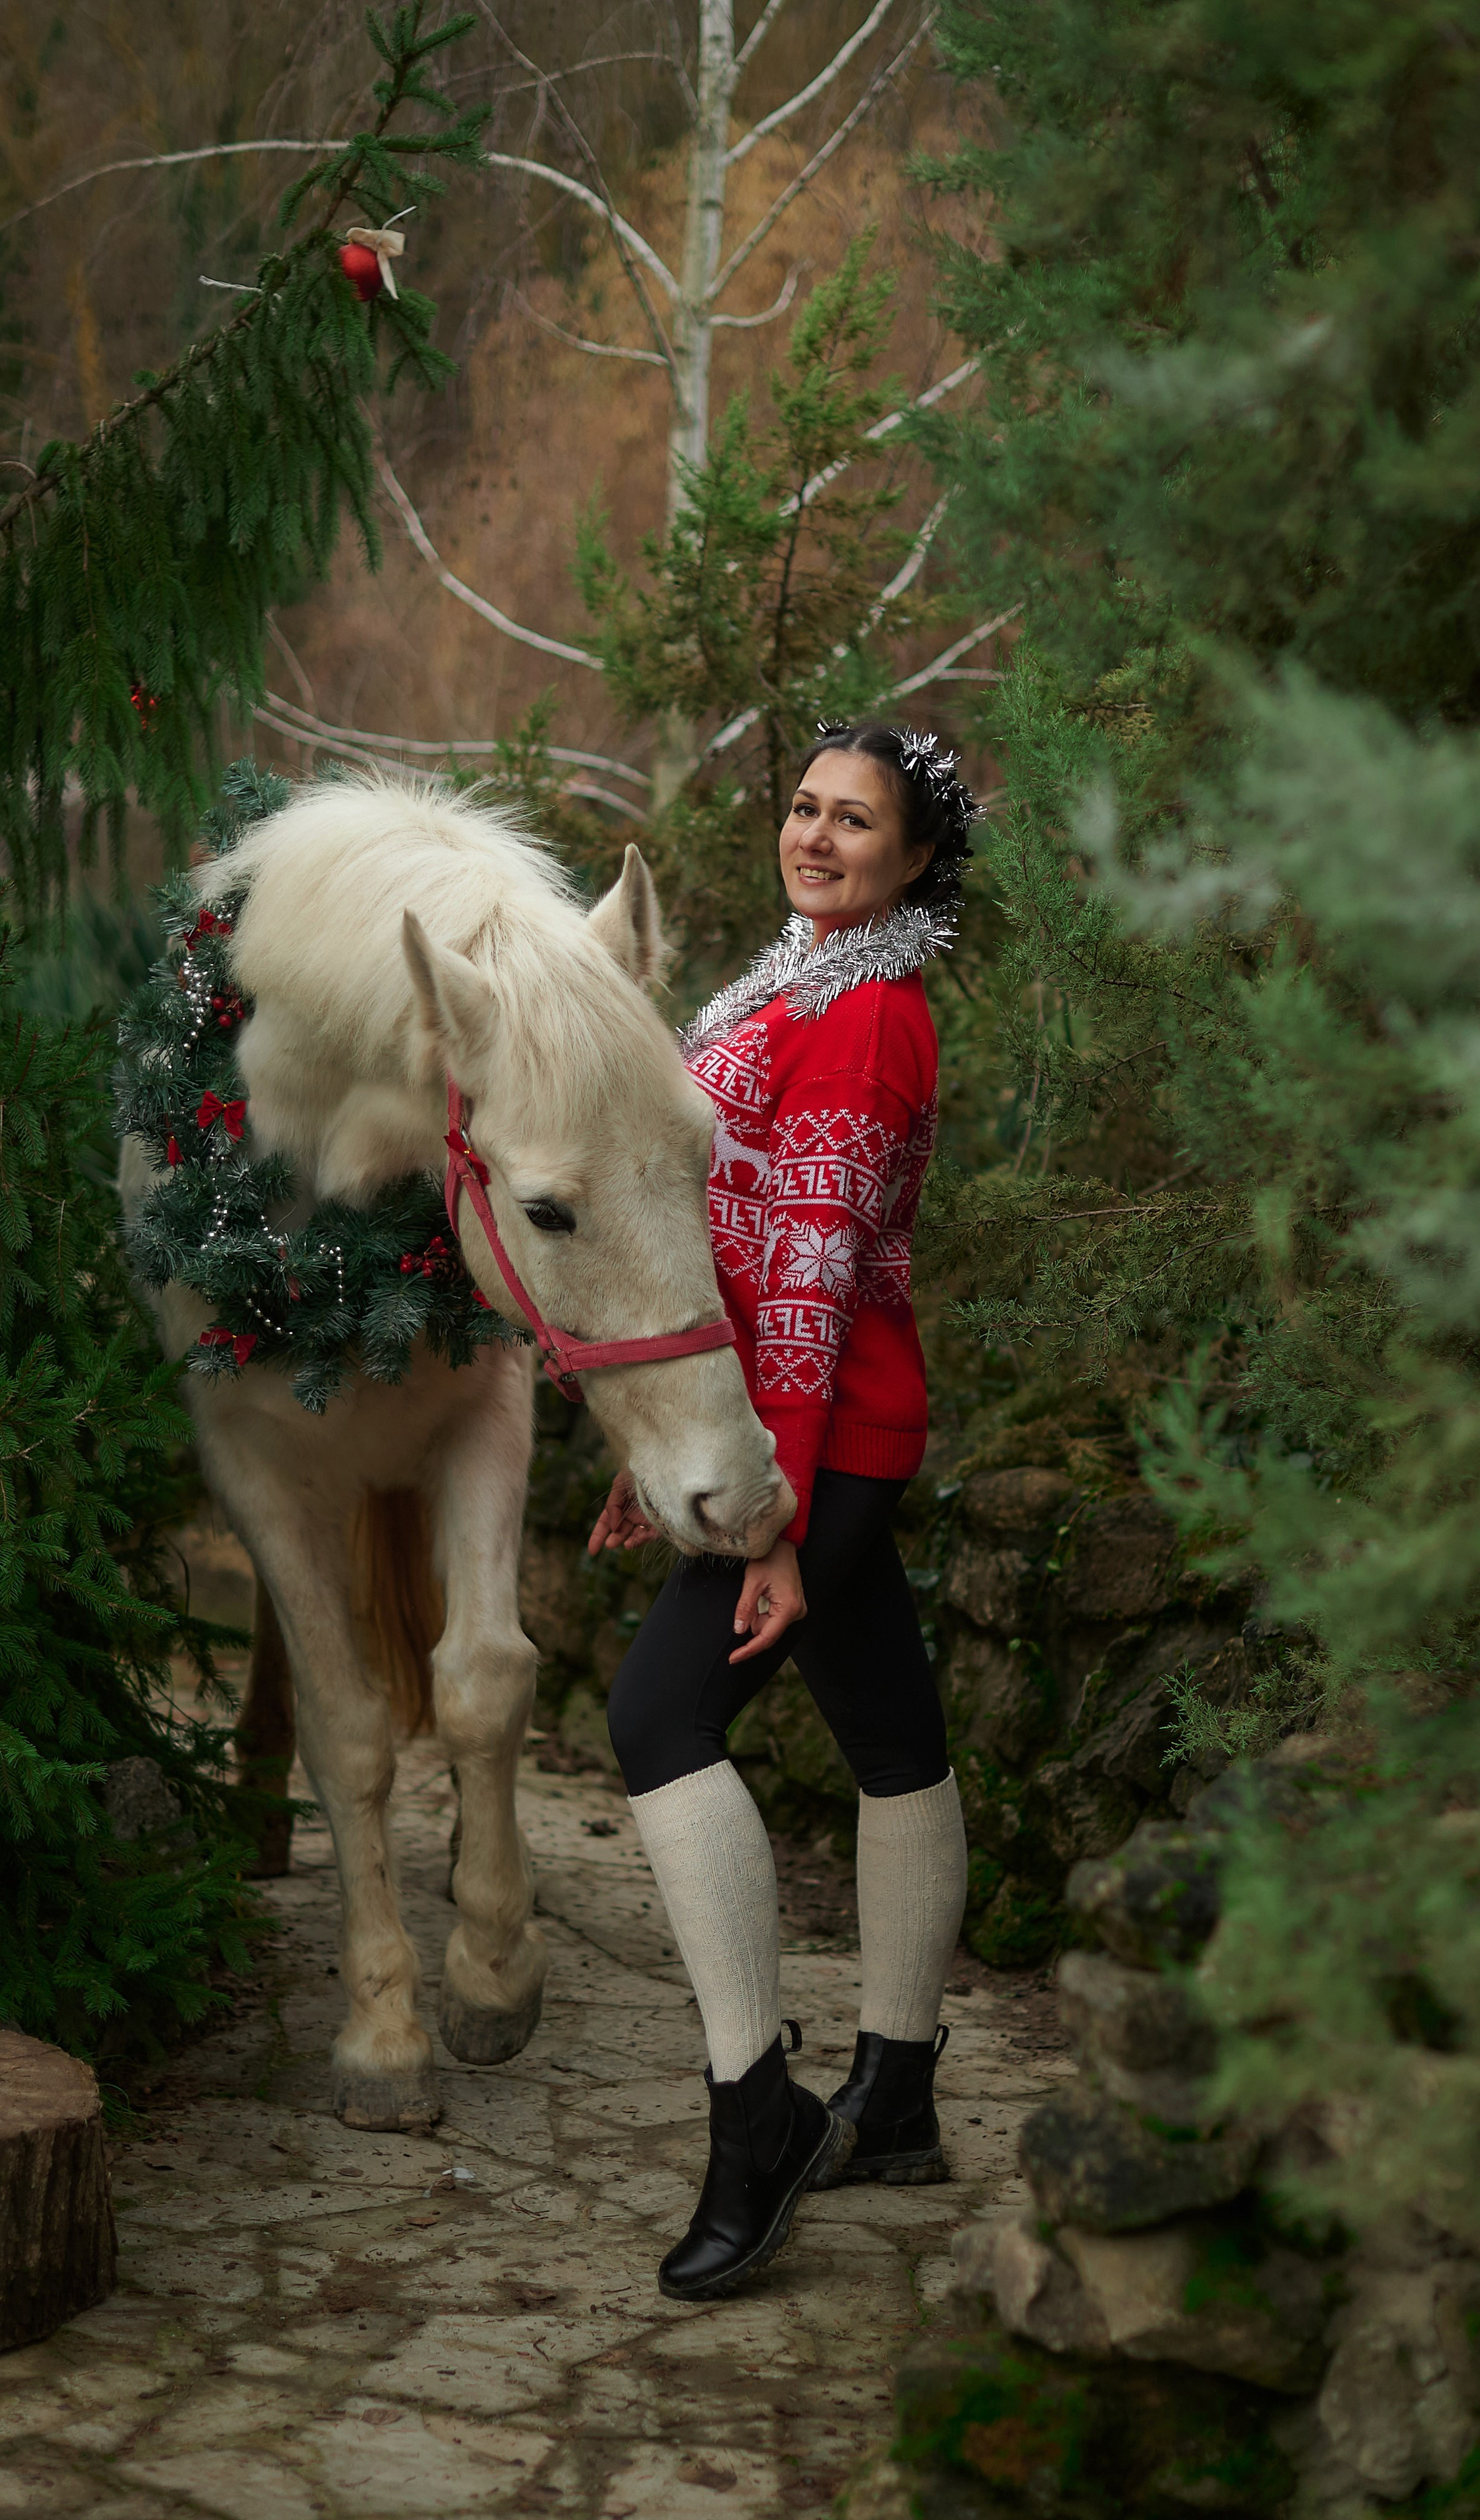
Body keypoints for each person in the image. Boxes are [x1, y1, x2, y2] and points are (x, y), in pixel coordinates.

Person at [589, 718, 973, 2302]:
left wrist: (772, 1518)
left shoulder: (870, 1013)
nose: (814, 836)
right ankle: (892, 2098)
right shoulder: (784, 975)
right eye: (804, 807)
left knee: (655, 1718)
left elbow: (809, 1275)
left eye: (855, 822)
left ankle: (762, 2122)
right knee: (892, 1737)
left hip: (816, 1430)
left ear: (916, 861)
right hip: (778, 1417)